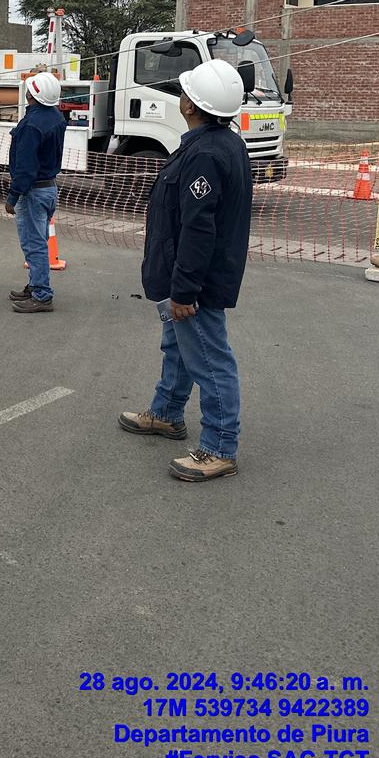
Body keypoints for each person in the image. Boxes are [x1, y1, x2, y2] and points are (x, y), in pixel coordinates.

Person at [119, 58, 252, 482]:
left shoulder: (206, 154)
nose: (180, 97)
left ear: (191, 105)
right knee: (178, 347)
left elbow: (198, 228)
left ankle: (219, 447)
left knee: (210, 360)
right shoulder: (218, 143)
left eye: (184, 92)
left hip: (195, 282)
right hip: (183, 276)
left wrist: (185, 291)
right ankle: (166, 413)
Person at [5, 71, 67, 313]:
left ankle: (41, 295)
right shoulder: (55, 117)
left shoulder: (32, 125)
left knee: (34, 245)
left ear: (32, 95)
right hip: (48, 188)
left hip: (33, 192)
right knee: (39, 241)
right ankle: (35, 286)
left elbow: (26, 167)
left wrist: (13, 196)